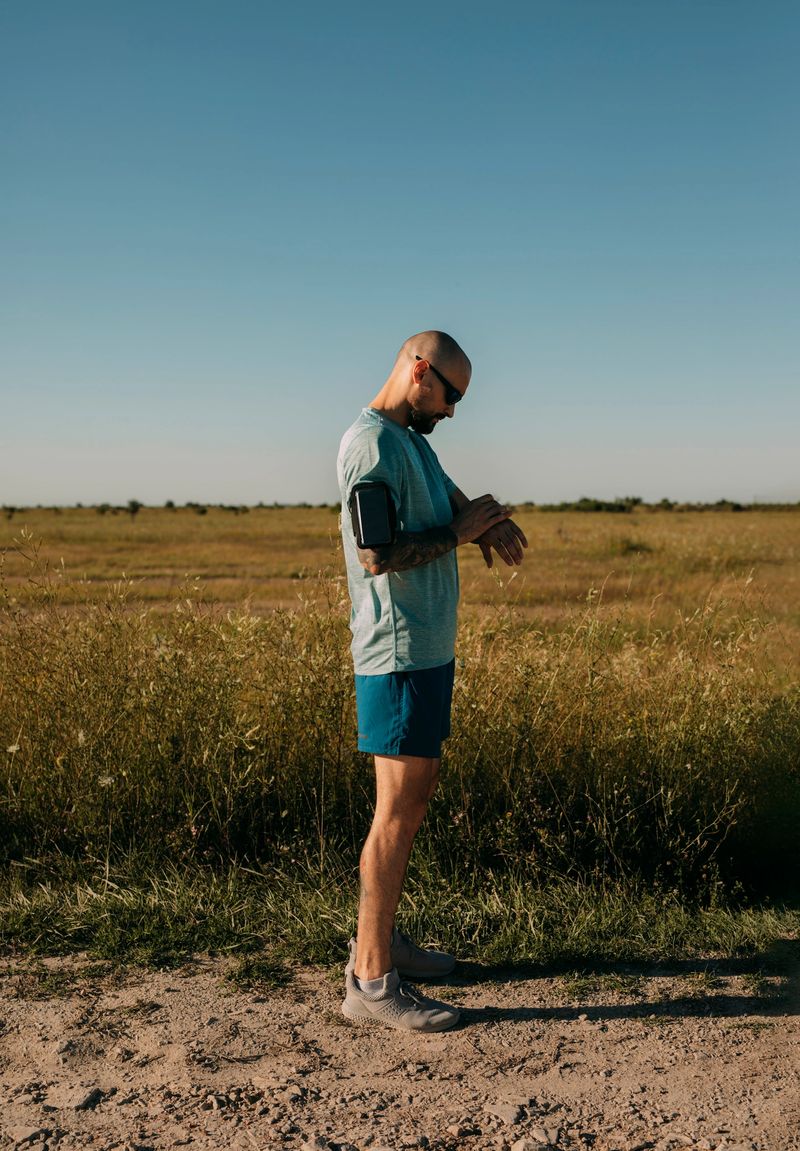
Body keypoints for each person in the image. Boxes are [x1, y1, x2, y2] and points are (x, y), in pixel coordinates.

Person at [336, 330, 527, 1031]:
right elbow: (378, 554)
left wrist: (484, 524)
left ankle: (379, 945)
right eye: (450, 395)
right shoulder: (372, 446)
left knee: (407, 808)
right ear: (420, 373)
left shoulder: (413, 442)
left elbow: (456, 509)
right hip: (396, 654)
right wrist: (461, 531)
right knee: (397, 811)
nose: (452, 411)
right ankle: (371, 982)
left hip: (423, 652)